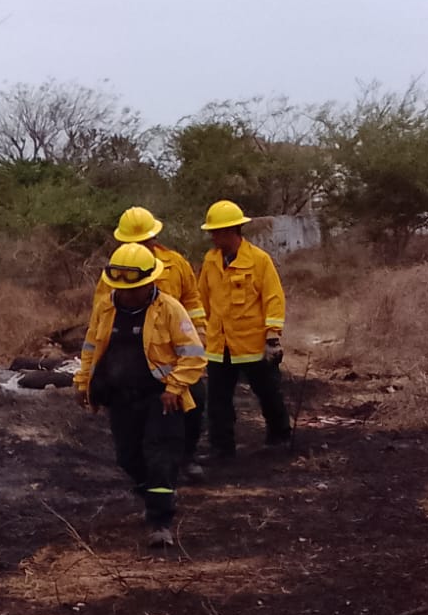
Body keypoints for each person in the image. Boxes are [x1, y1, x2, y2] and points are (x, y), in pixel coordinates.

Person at [75, 243, 207, 546]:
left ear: (150, 282)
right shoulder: (105, 308)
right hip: (121, 398)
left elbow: (194, 356)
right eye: (121, 288)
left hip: (162, 399)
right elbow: (91, 347)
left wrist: (174, 387)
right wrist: (82, 382)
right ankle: (153, 494)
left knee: (160, 456)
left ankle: (161, 523)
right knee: (127, 458)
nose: (126, 294)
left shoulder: (170, 309)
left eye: (133, 288)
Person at [95, 206, 208, 479]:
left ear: (153, 238)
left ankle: (186, 456)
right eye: (131, 243)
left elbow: (191, 299)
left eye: (142, 241)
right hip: (138, 353)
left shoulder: (175, 263)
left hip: (177, 348)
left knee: (195, 402)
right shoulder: (117, 271)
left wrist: (199, 332)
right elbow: (102, 312)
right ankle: (151, 472)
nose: (137, 246)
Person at [197, 200, 290, 458]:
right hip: (219, 345)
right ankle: (221, 448)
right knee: (217, 401)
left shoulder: (259, 260)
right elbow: (202, 297)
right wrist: (199, 331)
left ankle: (280, 436)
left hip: (253, 345)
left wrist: (273, 336)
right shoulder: (210, 261)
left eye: (215, 232)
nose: (212, 237)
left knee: (268, 392)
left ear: (231, 231)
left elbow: (273, 297)